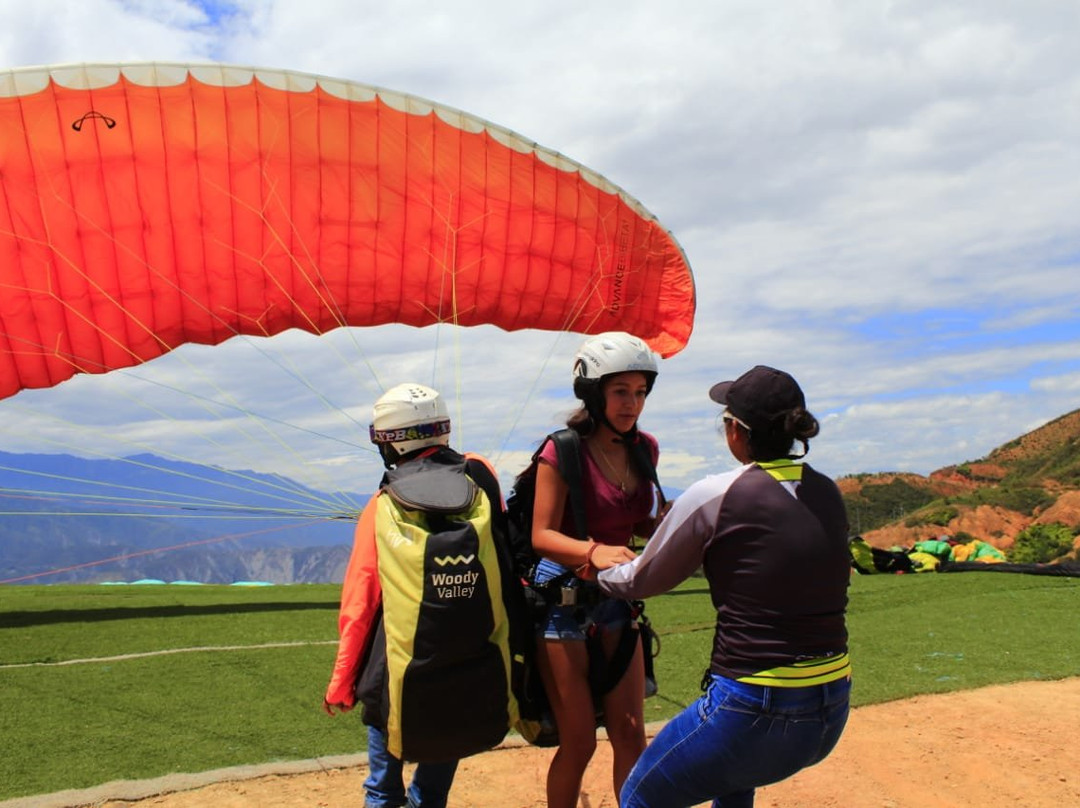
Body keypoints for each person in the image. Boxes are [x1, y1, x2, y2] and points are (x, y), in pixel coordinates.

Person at [596, 365, 852, 808]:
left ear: (737, 431)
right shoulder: (826, 490)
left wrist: (593, 565)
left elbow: (641, 579)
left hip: (756, 707)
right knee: (732, 778)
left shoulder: (718, 492)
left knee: (640, 794)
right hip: (831, 706)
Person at [323, 382, 516, 808]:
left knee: (381, 789)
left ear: (389, 442)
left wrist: (341, 682)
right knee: (431, 792)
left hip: (395, 677)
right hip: (468, 667)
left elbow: (360, 601)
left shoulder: (383, 504)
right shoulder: (480, 475)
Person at [530, 332, 667, 808]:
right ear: (593, 394)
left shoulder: (644, 449)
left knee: (631, 735)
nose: (633, 403)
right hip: (563, 608)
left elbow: (638, 521)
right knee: (580, 742)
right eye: (621, 391)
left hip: (618, 602)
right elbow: (541, 535)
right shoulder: (562, 451)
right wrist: (594, 552)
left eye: (640, 392)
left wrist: (668, 526)